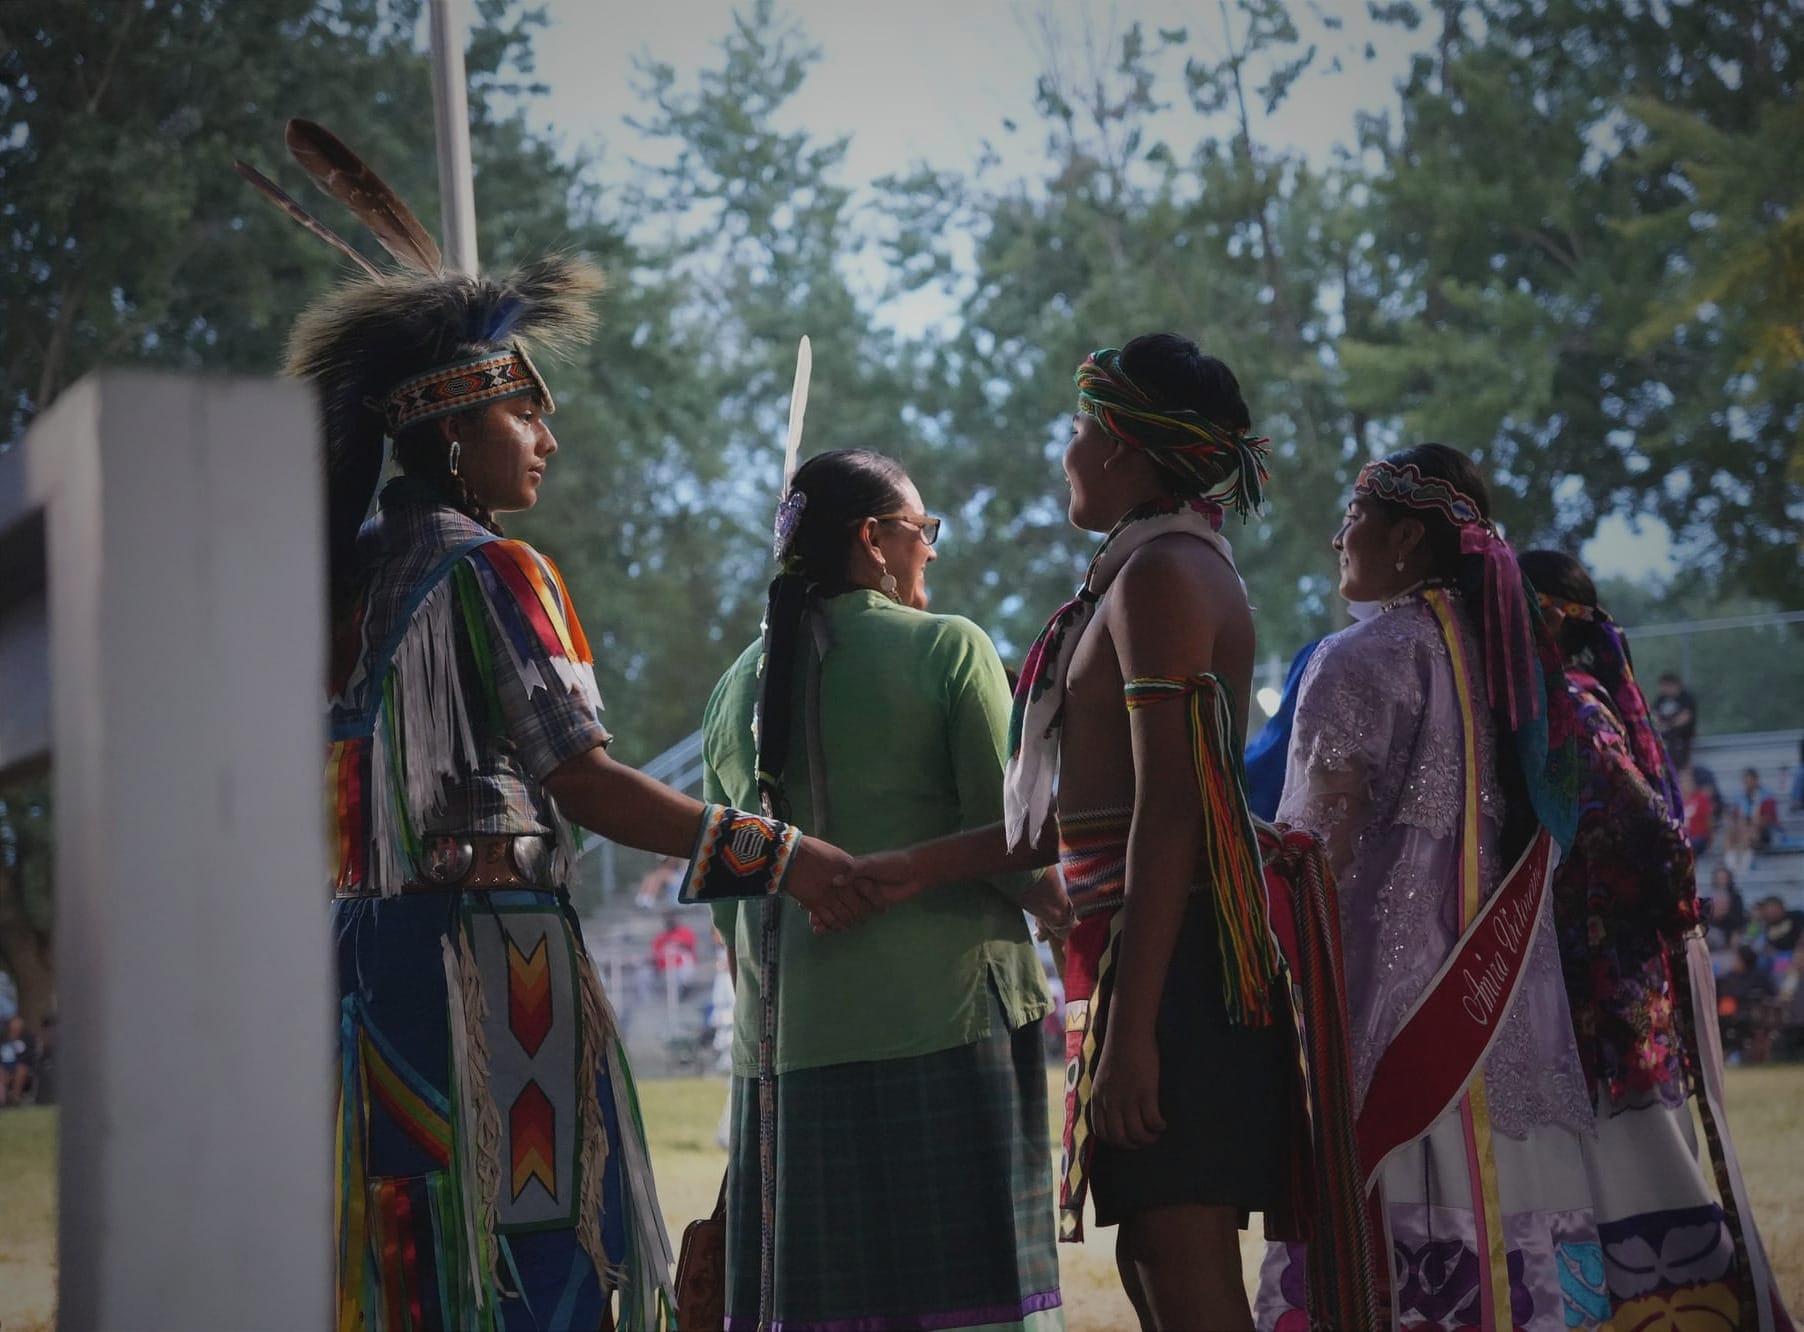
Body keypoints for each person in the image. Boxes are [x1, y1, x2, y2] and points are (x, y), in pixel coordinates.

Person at [264, 133, 869, 1330]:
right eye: (524, 414)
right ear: (453, 427)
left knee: (403, 1258)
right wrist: (782, 856)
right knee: (531, 1251)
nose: (547, 438)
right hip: (491, 969)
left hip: (350, 965)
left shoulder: (338, 580)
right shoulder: (496, 571)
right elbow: (587, 785)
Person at [847, 337, 1330, 1332]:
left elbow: (1172, 810)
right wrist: (902, 870)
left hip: (1180, 958)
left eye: (1076, 429)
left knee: (1181, 1262)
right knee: (1155, 1254)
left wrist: (1135, 1036)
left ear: (1118, 443)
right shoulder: (1142, 570)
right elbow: (1074, 820)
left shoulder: (1163, 574)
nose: (1065, 451)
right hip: (1146, 951)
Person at [702, 448, 1064, 1332]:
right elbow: (1020, 847)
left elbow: (729, 901)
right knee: (963, 1308)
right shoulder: (950, 647)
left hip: (783, 1051)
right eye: (921, 530)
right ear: (873, 540)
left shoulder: (733, 689)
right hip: (944, 1027)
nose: (930, 552)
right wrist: (1073, 897)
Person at [1256, 446, 1608, 1331]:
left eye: (1354, 516)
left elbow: (1312, 848)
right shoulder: (1520, 677)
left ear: (1407, 535)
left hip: (1392, 1014)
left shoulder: (1357, 659)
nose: (1339, 536)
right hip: (1513, 1006)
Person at [1519, 549, 1787, 1324]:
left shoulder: (1572, 705)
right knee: (1605, 1173)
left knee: (1643, 1171)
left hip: (1609, 992)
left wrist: (1599, 905)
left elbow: (1654, 833)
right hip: (1593, 985)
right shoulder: (1559, 705)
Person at [1725, 767, 1782, 872]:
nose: (1747, 784)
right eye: (1745, 781)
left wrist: (1748, 825)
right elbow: (1734, 817)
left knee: (1747, 834)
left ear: (1756, 781)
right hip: (1746, 829)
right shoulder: (1740, 797)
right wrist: (1739, 825)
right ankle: (1730, 867)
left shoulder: (1767, 796)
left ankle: (1742, 869)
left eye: (1749, 781)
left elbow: (1767, 820)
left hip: (1767, 832)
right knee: (1730, 834)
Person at [1653, 671, 1698, 770]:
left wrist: (1668, 725)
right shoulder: (1661, 699)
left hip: (1682, 741)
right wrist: (1659, 726)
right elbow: (1654, 715)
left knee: (1681, 768)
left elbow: (1685, 716)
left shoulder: (1685, 698)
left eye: (1666, 686)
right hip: (1664, 740)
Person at [1704, 865, 1749, 953]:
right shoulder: (1708, 896)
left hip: (1730, 930)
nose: (1721, 880)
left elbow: (1738, 921)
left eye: (1724, 877)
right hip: (1712, 930)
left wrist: (1735, 935)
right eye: (1719, 877)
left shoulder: (1736, 897)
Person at [1753, 895, 1804, 959]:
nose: (1771, 914)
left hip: (1798, 952)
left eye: (1774, 910)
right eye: (1768, 911)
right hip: (1779, 956)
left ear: (1782, 908)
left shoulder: (1796, 915)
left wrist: (1800, 945)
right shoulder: (1765, 926)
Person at [1680, 765, 1716, 857]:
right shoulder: (1677, 801)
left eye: (1688, 782)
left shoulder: (1701, 799)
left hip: (1698, 838)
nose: (1686, 785)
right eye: (1683, 782)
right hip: (1683, 839)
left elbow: (1709, 820)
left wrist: (1711, 839)